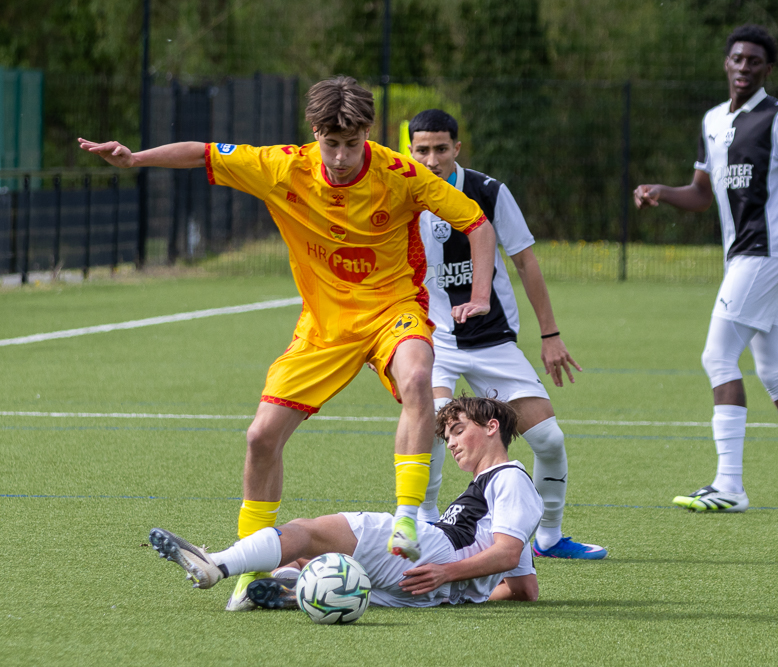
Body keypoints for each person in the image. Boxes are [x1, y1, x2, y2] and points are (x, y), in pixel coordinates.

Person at [80, 75, 499, 609]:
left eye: (352, 144)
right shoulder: (284, 166)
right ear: (315, 135)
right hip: (323, 327)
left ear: (367, 134)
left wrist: (480, 294)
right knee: (260, 438)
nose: (342, 156)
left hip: (393, 310)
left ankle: (408, 518)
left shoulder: (402, 174)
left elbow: (477, 223)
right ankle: (243, 573)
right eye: (331, 144)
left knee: (419, 376)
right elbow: (203, 153)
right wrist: (135, 159)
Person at [633, 25, 778, 514]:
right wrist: (660, 193)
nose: (744, 66)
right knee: (775, 371)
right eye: (737, 58)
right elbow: (700, 193)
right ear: (726, 63)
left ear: (767, 69)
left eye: (754, 60)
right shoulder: (712, 120)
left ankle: (729, 485)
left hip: (767, 252)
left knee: (717, 356)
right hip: (742, 256)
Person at [406, 109, 606, 559]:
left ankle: (549, 537)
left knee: (549, 440)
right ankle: (425, 523)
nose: (432, 158)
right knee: (432, 417)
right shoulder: (399, 193)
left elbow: (526, 261)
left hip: (493, 340)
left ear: (457, 148)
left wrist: (550, 334)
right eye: (422, 150)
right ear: (410, 151)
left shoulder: (490, 192)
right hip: (433, 339)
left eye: (441, 148)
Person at [149, 395, 543, 608]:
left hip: (428, 551)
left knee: (307, 531)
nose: (452, 443)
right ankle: (294, 588)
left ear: (492, 427)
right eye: (449, 436)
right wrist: (458, 594)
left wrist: (447, 574)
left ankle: (216, 565)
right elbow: (524, 587)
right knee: (304, 559)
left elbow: (507, 554)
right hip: (422, 587)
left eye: (458, 431)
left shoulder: (509, 478)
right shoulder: (496, 490)